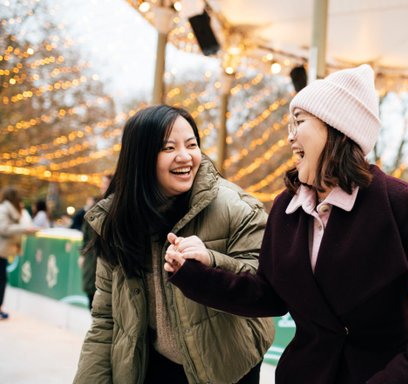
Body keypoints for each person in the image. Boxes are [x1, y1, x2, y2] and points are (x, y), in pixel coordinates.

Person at [165, 65, 408, 384]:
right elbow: (268, 294)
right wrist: (194, 275)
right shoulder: (286, 207)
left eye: (299, 122)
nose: (290, 136)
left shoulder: (396, 201)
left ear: (337, 128)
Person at [73, 105, 274, 383]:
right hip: (155, 368)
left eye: (191, 145)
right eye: (168, 148)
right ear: (141, 158)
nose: (185, 156)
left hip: (227, 367)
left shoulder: (236, 207)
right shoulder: (118, 221)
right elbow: (106, 319)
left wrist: (211, 261)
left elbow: (266, 284)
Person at [0, 187, 39, 320]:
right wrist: (25, 229)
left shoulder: (10, 210)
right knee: (1, 280)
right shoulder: (5, 209)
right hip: (1, 250)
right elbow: (3, 228)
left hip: (3, 251)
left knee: (2, 280)